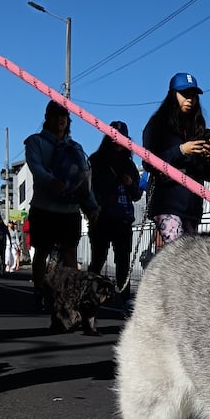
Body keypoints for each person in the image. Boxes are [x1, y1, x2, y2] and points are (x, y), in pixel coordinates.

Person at [24, 100, 99, 311]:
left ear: (68, 120)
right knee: (41, 251)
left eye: (64, 117)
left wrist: (92, 206)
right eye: (55, 116)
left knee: (70, 254)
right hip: (44, 208)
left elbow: (84, 181)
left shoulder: (75, 147)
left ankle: (69, 297)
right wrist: (50, 181)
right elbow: (35, 167)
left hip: (69, 210)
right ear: (47, 118)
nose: (60, 120)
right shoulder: (35, 142)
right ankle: (39, 291)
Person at [142, 72, 210, 246]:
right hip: (167, 204)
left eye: (193, 95)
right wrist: (181, 150)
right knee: (178, 253)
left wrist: (208, 156)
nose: (190, 99)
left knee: (186, 262)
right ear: (172, 95)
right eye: (185, 94)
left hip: (192, 207)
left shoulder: (197, 127)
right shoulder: (157, 125)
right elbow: (148, 162)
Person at [87, 120, 142, 307]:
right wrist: (91, 211)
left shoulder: (130, 165)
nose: (118, 141)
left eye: (123, 138)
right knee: (98, 258)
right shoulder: (96, 161)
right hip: (101, 216)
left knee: (123, 260)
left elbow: (136, 195)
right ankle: (89, 293)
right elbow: (89, 188)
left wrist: (130, 184)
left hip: (123, 218)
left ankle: (124, 296)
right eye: (114, 136)